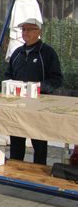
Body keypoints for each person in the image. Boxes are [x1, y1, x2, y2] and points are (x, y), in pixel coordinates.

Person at [5, 18, 63, 165]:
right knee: (16, 141)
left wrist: (38, 88)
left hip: (39, 107)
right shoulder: (17, 53)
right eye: (24, 29)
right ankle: (15, 171)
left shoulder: (48, 53)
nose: (26, 33)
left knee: (39, 144)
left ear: (39, 32)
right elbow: (8, 75)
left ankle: (39, 175)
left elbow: (56, 79)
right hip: (17, 106)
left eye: (30, 29)